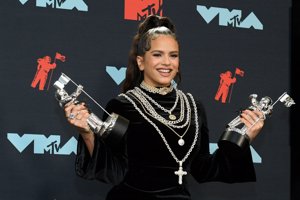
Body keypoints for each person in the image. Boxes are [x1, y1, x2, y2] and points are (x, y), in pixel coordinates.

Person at [63, 15, 265, 200]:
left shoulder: (193, 107)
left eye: (173, 55)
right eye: (158, 54)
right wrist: (87, 132)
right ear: (141, 62)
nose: (167, 63)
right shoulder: (123, 106)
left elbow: (202, 168)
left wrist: (243, 136)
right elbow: (114, 170)